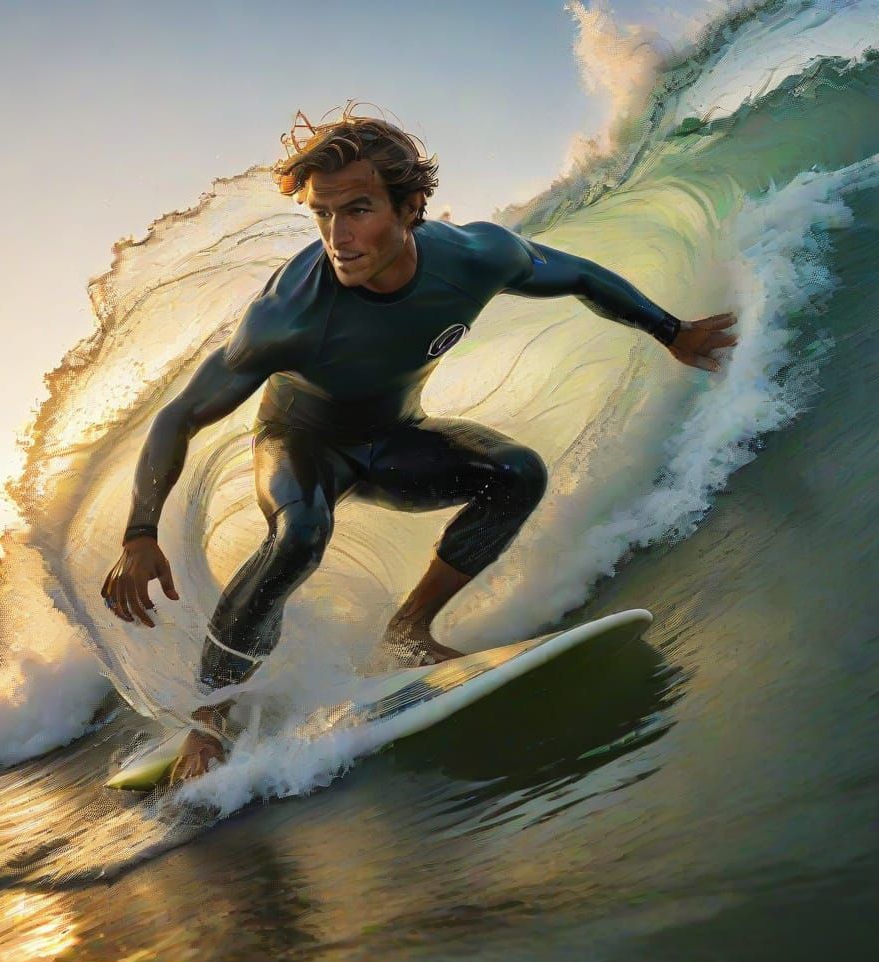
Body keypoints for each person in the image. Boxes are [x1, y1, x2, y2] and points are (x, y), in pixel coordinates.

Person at [102, 108, 738, 781]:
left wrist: (672, 331)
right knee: (299, 534)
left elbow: (577, 275)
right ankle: (210, 721)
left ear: (409, 208)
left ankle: (408, 633)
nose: (337, 237)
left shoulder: (473, 258)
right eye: (322, 214)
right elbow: (181, 416)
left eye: (358, 210)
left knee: (516, 474)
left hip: (391, 439)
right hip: (301, 444)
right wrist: (140, 532)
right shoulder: (287, 317)